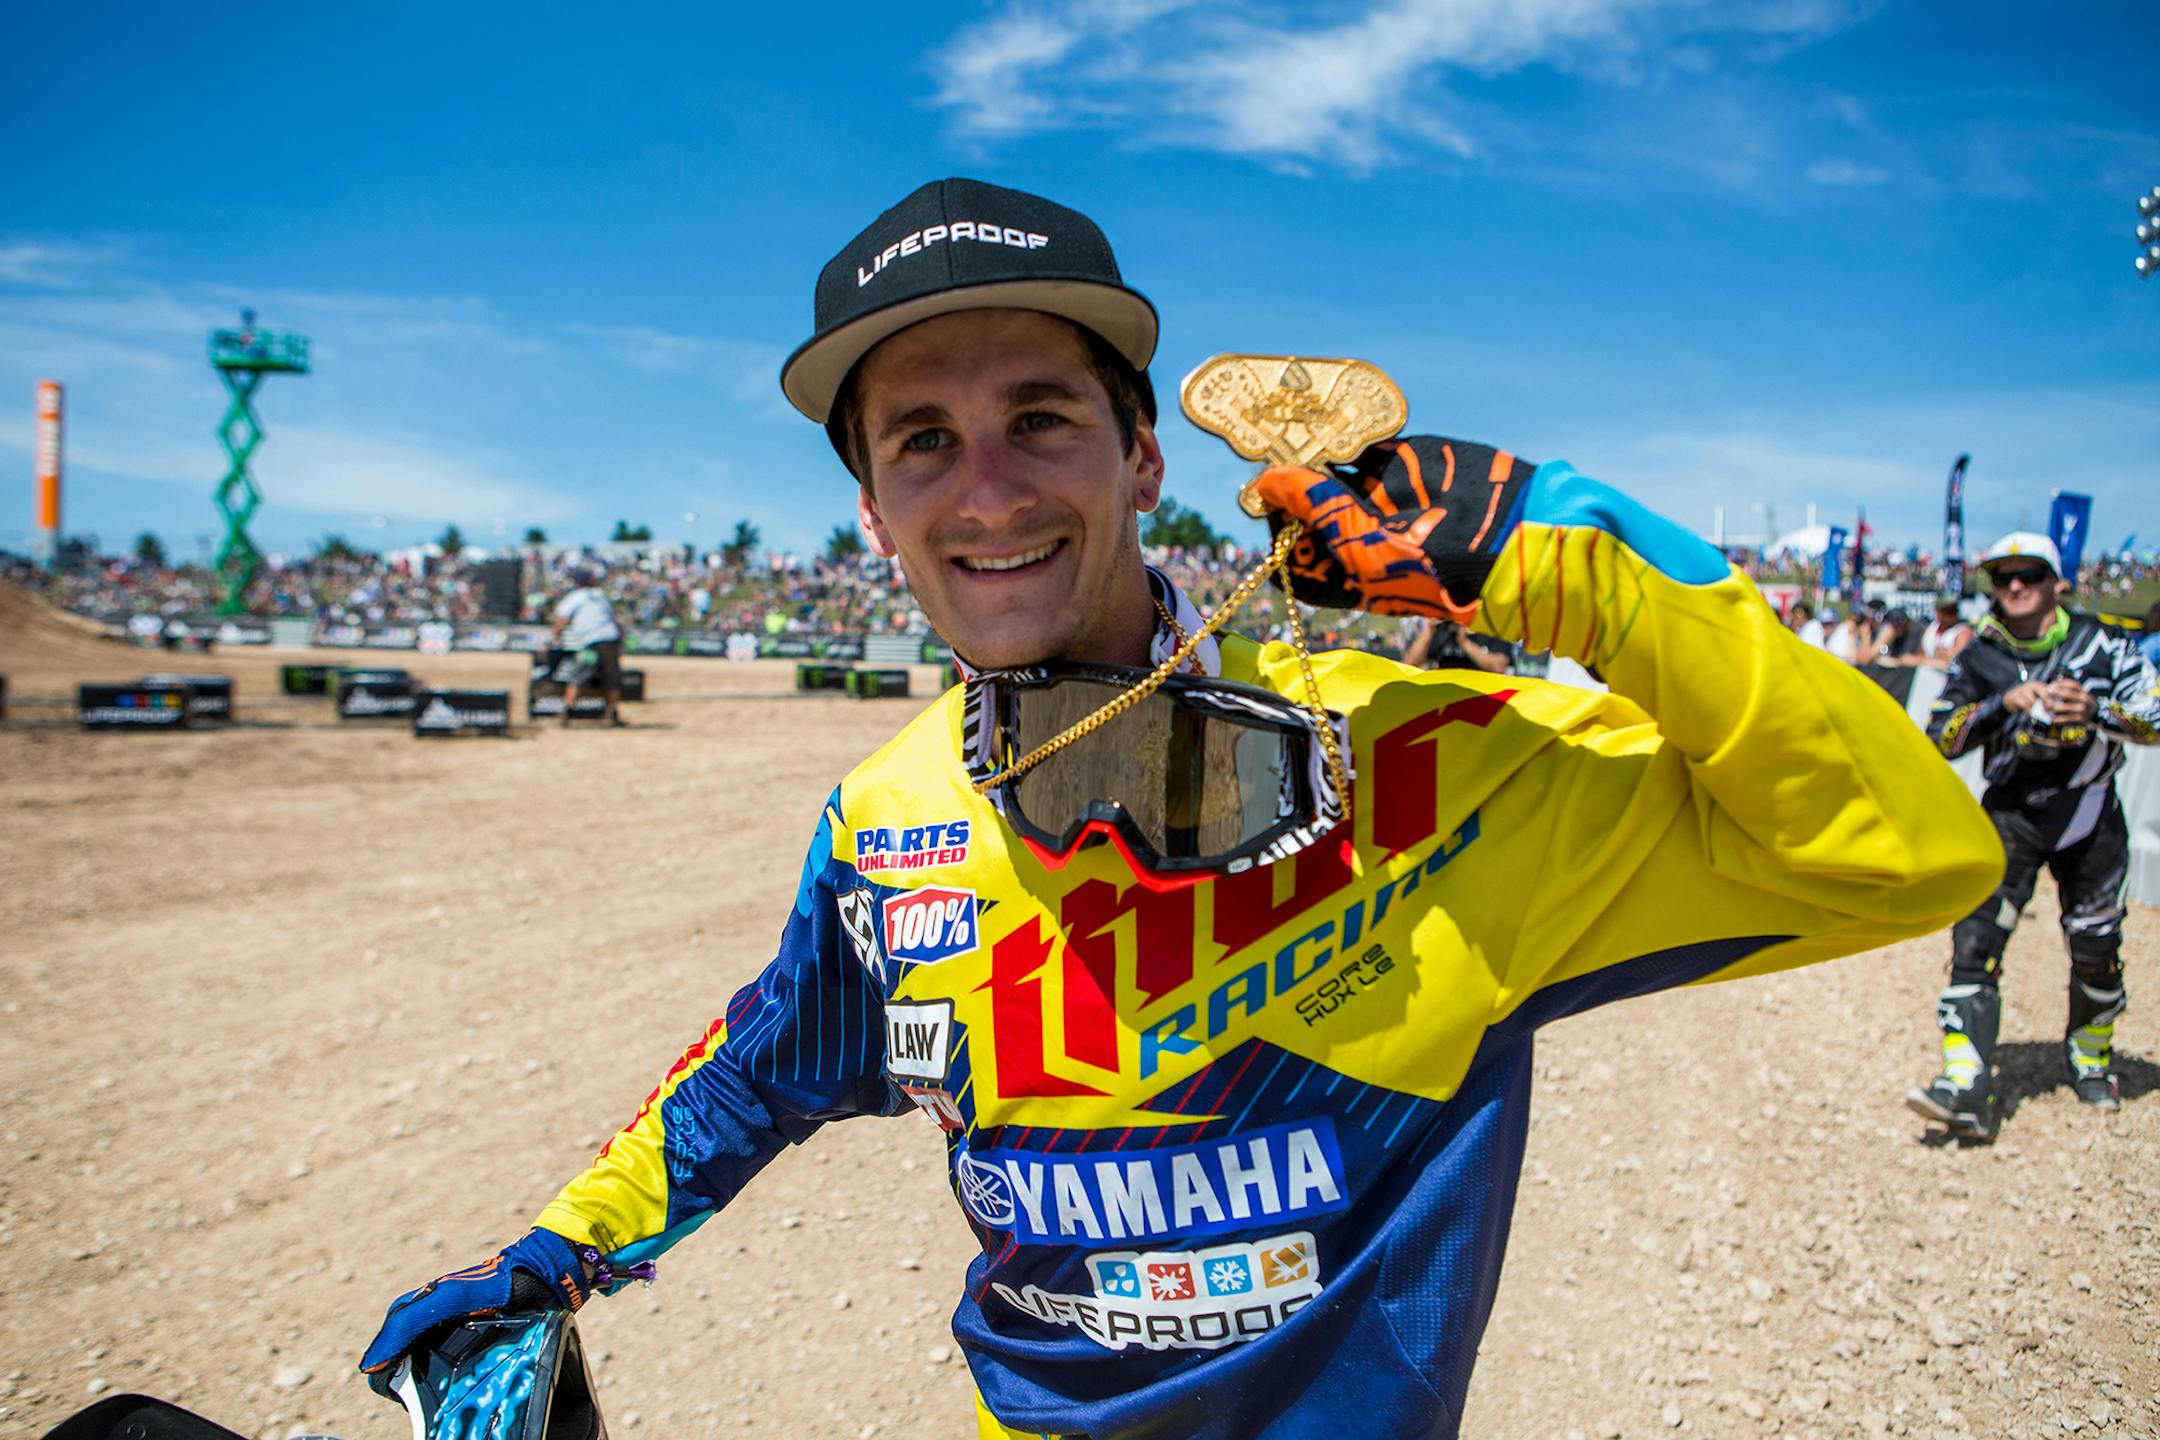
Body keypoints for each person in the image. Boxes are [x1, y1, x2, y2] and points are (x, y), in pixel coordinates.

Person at [360, 178, 2001, 1440]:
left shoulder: (1428, 758)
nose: (987, 490)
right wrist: (548, 1265)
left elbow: (1907, 855)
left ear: (1147, 458)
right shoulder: (883, 822)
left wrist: (1576, 562)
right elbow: (753, 1079)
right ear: (872, 511)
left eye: (1042, 420)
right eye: (925, 442)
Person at [1907, 532, 2160, 1141]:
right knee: (1975, 941)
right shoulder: (1980, 653)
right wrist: (2002, 704)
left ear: (2057, 581)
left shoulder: (2105, 641)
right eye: (2002, 576)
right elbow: (1938, 736)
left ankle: (2092, 1060)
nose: (2015, 586)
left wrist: (2094, 711)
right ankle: (1963, 1081)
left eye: (2029, 573)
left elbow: (2154, 717)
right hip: (2007, 816)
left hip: (2090, 817)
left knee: (2097, 946)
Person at [548, 566, 624, 727]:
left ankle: (567, 712)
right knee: (612, 677)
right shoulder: (600, 596)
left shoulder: (575, 597)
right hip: (610, 640)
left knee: (579, 674)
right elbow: (614, 621)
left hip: (592, 643)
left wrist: (554, 637)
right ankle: (613, 714)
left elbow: (561, 619)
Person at [1401, 615, 1511, 674]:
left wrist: (1464, 642)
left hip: (1477, 699)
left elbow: (1498, 666)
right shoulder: (1441, 628)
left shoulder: (1490, 627)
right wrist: (1429, 630)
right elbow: (1410, 663)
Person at [1914, 596, 1976, 669]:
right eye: (1947, 611)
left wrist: (1922, 661)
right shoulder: (1931, 628)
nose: (1950, 616)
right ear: (1938, 612)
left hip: (1951, 677)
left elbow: (1958, 661)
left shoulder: (1962, 631)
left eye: (1953, 611)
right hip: (1927, 674)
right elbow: (1920, 654)